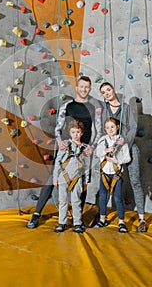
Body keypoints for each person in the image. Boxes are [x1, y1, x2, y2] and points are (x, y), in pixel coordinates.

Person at [26, 76, 102, 229]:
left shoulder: (94, 108)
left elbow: (98, 131)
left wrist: (92, 146)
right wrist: (60, 140)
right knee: (52, 179)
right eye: (81, 86)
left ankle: (78, 219)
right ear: (77, 87)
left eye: (87, 87)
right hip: (66, 148)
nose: (84, 89)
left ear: (90, 88)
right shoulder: (67, 105)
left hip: (83, 149)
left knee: (81, 183)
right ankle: (36, 214)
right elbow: (58, 127)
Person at [96, 82, 147, 232]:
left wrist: (125, 139)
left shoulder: (126, 108)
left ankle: (142, 219)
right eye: (103, 92)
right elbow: (102, 130)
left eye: (108, 90)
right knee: (106, 183)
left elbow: (132, 127)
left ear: (114, 90)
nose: (107, 93)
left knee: (135, 181)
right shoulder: (104, 110)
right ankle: (103, 217)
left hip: (128, 147)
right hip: (112, 149)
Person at [94, 117, 131, 233]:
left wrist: (117, 161)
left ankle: (121, 222)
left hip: (116, 174)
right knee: (103, 197)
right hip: (104, 173)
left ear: (117, 127)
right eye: (107, 127)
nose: (110, 129)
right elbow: (97, 153)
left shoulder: (121, 142)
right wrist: (106, 150)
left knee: (117, 198)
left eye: (112, 127)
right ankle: (102, 219)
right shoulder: (102, 141)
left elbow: (127, 158)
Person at [53, 120, 90, 233]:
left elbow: (87, 166)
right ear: (69, 133)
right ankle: (62, 223)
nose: (75, 135)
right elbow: (57, 161)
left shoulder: (85, 148)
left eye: (78, 132)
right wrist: (55, 177)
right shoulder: (65, 145)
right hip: (64, 176)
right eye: (73, 132)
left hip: (77, 178)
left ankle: (77, 223)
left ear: (82, 133)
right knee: (63, 200)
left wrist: (86, 181)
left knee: (76, 201)